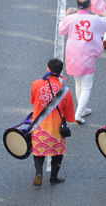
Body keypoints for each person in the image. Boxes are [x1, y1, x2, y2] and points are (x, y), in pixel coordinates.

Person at [59, 0, 106, 124]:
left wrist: (66, 14)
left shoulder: (70, 18)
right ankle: (79, 113)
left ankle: (83, 110)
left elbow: (61, 29)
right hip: (87, 53)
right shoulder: (93, 19)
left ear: (77, 6)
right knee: (87, 85)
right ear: (89, 6)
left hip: (73, 54)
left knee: (78, 83)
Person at [30, 58, 75, 187]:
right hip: (56, 128)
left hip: (39, 126)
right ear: (61, 71)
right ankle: (54, 178)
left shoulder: (36, 84)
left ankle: (39, 173)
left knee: (39, 151)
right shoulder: (65, 90)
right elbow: (70, 116)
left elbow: (33, 101)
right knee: (57, 153)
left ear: (48, 69)